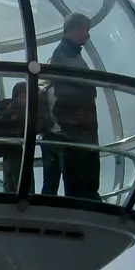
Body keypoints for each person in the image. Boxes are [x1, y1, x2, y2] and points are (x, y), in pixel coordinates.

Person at [47, 12, 101, 200]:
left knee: (84, 183)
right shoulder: (64, 55)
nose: (88, 35)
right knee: (79, 186)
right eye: (86, 29)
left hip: (82, 131)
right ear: (75, 28)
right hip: (75, 132)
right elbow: (65, 92)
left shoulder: (71, 54)